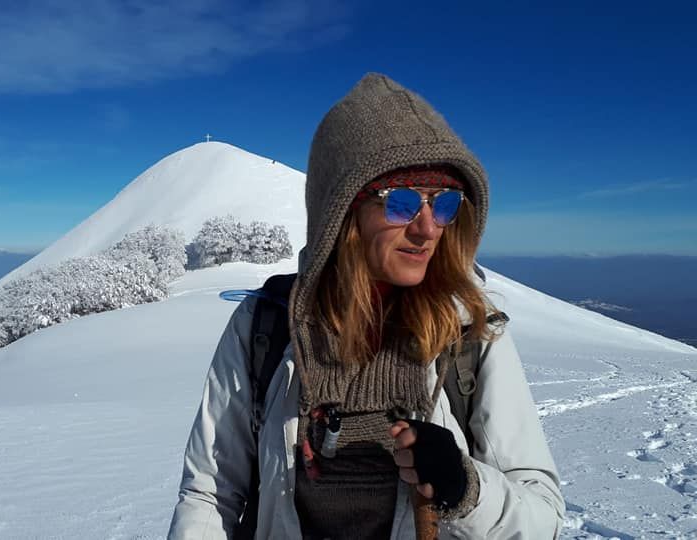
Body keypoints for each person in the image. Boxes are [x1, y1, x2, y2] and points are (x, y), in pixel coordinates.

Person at [168, 73, 564, 539]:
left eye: (445, 204)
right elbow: (209, 496)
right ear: (341, 213)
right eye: (401, 202)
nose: (428, 228)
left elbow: (543, 519)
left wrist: (467, 488)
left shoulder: (469, 334)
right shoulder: (267, 327)